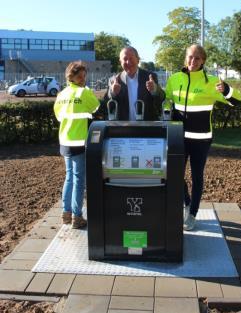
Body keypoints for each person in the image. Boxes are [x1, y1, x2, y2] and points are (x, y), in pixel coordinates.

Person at [165, 44, 241, 231]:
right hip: (178, 138)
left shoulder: (212, 81)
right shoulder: (174, 79)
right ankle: (187, 203)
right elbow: (167, 99)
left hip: (201, 139)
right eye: (191, 57)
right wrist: (166, 107)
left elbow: (236, 100)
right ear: (186, 58)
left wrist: (226, 90)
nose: (193, 61)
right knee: (176, 174)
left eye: (197, 58)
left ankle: (192, 214)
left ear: (203, 61)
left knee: (197, 176)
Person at [54, 61, 100, 228]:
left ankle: (66, 213)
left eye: (83, 76)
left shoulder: (61, 94)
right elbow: (96, 107)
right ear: (71, 76)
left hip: (64, 141)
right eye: (79, 76)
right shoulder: (83, 92)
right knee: (79, 179)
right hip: (79, 141)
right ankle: (77, 217)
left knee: (69, 177)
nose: (82, 79)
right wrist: (87, 92)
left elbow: (59, 117)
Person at [105, 46, 165, 120]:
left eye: (131, 58)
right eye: (125, 59)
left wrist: (155, 90)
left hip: (147, 127)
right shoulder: (114, 80)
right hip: (124, 128)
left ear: (138, 60)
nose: (128, 62)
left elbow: (162, 99)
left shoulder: (150, 77)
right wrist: (113, 93)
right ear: (120, 62)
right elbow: (106, 105)